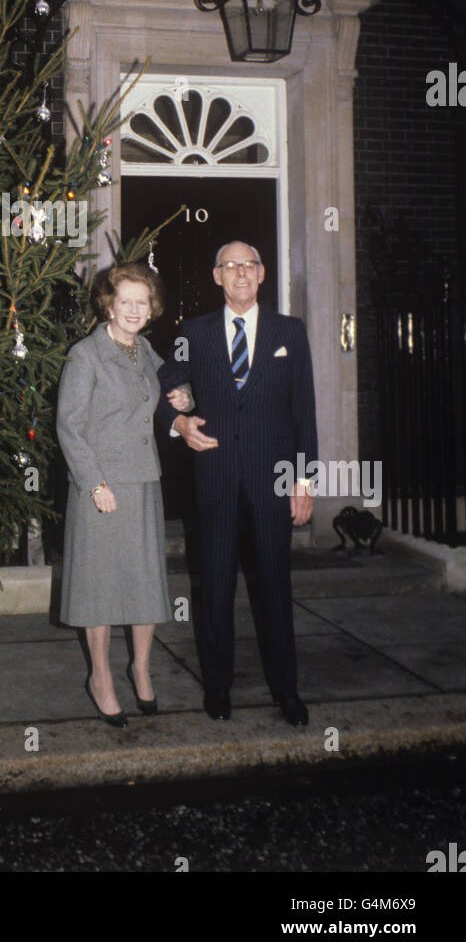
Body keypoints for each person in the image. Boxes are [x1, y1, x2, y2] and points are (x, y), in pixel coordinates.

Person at [158, 241, 317, 726]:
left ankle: (285, 691)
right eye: (230, 266)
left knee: (274, 588)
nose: (240, 274)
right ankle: (218, 688)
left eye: (248, 265)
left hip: (274, 482)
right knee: (216, 589)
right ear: (216, 276)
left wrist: (305, 480)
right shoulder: (195, 332)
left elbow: (304, 412)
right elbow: (164, 385)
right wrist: (180, 424)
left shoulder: (290, 331)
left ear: (263, 273)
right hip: (217, 481)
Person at [56, 261, 192, 726]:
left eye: (142, 302)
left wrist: (183, 398)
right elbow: (69, 429)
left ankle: (141, 668)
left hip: (143, 482)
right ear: (108, 305)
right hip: (100, 487)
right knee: (98, 587)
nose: (134, 310)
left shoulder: (145, 350)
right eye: (125, 301)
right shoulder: (86, 355)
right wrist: (95, 484)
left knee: (143, 582)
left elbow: (170, 382)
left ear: (150, 308)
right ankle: (100, 677)